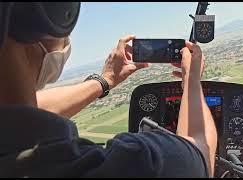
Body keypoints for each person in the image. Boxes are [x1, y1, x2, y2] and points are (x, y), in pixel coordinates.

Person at [0, 2, 217, 178]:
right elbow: (199, 149)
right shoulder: (135, 166)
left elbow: (26, 110)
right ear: (52, 16)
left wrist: (106, 80)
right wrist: (191, 79)